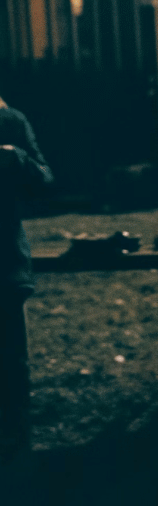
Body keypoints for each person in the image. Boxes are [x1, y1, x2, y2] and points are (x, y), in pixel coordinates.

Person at [0, 96, 53, 458]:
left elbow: (44, 180)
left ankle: (15, 449)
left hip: (4, 265)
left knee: (9, 367)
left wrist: (14, 157)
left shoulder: (11, 122)